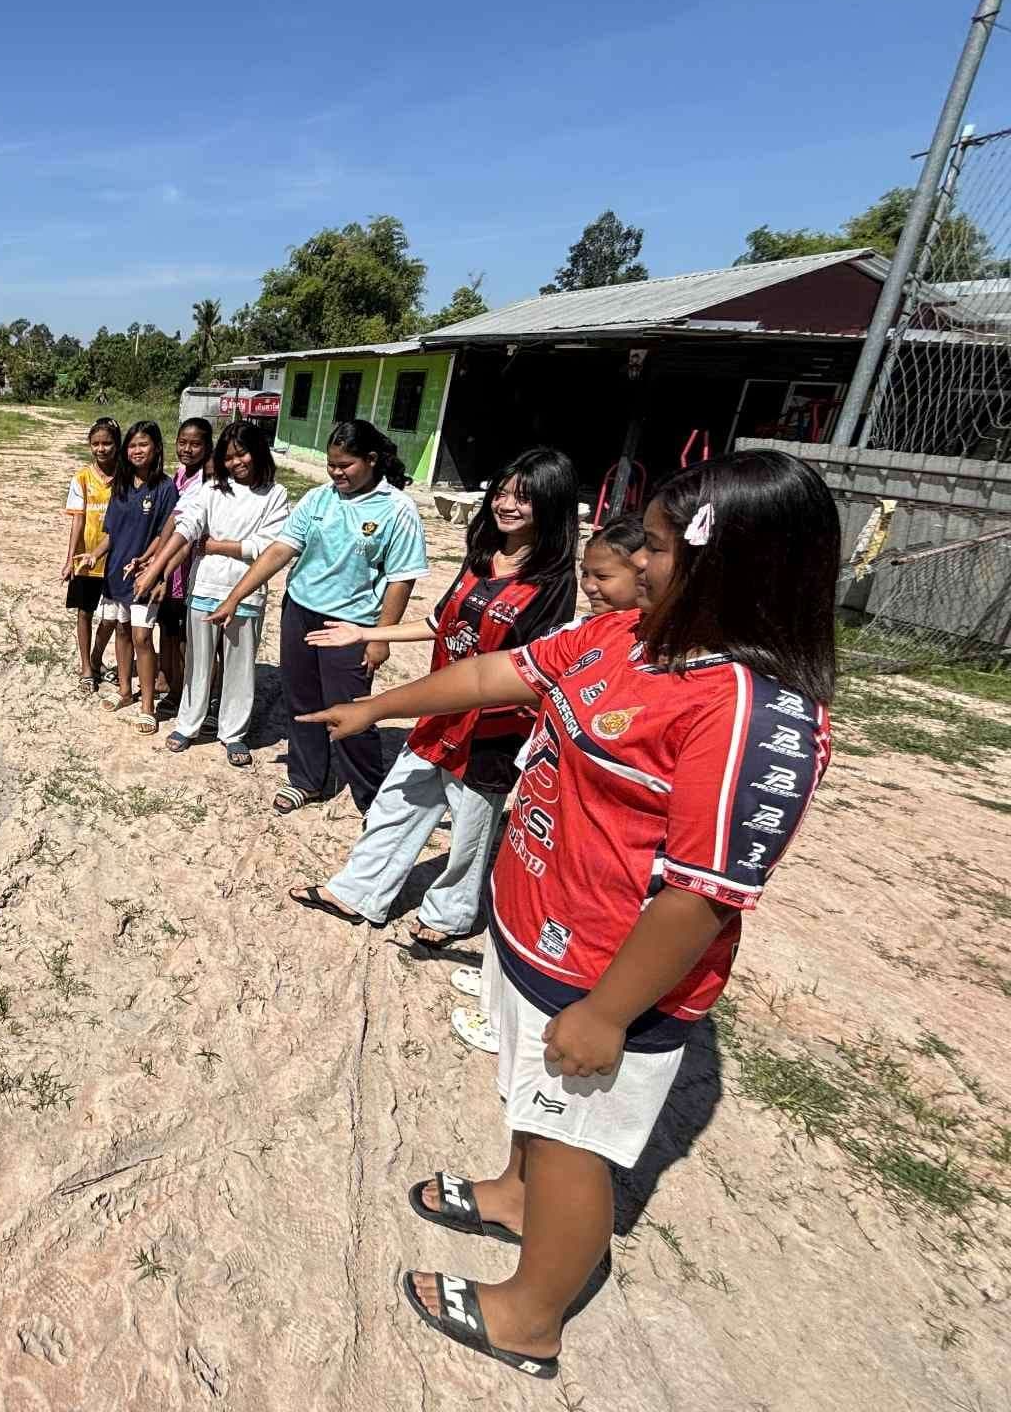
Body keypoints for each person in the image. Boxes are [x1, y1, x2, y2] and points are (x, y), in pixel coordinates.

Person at [310, 450, 837, 1380]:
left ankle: (530, 1315)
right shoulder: (623, 640)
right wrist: (377, 707)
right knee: (536, 1112)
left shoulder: (750, 713)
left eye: (662, 548)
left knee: (574, 1142)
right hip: (536, 927)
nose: (639, 564)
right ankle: (516, 1195)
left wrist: (604, 1013)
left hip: (607, 975)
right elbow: (492, 678)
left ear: (730, 564)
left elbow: (700, 894)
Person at [287, 447, 580, 949]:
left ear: (551, 506)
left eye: (524, 499)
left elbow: (540, 668)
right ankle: (358, 893)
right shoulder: (483, 558)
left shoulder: (552, 584)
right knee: (397, 802)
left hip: (492, 730)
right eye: (503, 493)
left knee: (470, 827)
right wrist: (365, 634)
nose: (506, 505)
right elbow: (437, 622)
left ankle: (450, 915)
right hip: (438, 711)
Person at [449, 510, 649, 1055]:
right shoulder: (583, 632)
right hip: (542, 787)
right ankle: (494, 988)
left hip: (578, 810)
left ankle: (509, 1022)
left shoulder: (637, 651)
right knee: (513, 884)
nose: (589, 587)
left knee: (552, 914)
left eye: (604, 578)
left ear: (645, 574)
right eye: (587, 573)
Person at [209, 419, 427, 818]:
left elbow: (401, 580)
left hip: (351, 625)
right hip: (301, 611)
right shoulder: (318, 499)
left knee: (353, 709)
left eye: (345, 465)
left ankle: (369, 798)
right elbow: (279, 551)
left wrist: (380, 638)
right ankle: (306, 779)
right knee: (301, 699)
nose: (336, 472)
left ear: (371, 460)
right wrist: (234, 596)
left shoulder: (397, 509)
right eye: (331, 464)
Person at [138, 420, 289, 766]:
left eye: (243, 454)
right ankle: (189, 724)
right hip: (204, 587)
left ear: (259, 452)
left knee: (239, 666)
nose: (238, 463)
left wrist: (218, 546)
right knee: (198, 663)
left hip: (247, 593)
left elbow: (266, 547)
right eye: (230, 457)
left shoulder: (274, 494)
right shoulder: (212, 490)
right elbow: (186, 528)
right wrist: (157, 567)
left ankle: (233, 732)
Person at [95, 420, 179, 733]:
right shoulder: (121, 484)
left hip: (145, 573)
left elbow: (166, 533)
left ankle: (147, 706)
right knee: (121, 630)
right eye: (132, 445)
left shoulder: (166, 488)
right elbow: (110, 533)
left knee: (143, 636)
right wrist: (94, 554)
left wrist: (150, 562)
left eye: (143, 444)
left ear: (156, 447)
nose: (136, 451)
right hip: (116, 571)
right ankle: (124, 692)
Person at [151, 417, 213, 709]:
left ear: (207, 447)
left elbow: (181, 526)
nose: (187, 449)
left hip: (185, 566)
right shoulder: (179, 475)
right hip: (170, 564)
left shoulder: (205, 480)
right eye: (182, 442)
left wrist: (159, 566)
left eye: (195, 444)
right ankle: (167, 678)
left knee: (185, 632)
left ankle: (185, 689)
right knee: (168, 625)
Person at [61, 417, 122, 692]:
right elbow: (78, 520)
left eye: (107, 443)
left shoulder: (127, 477)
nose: (101, 449)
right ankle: (87, 667)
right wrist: (69, 559)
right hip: (86, 560)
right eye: (95, 443)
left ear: (117, 444)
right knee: (84, 613)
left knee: (112, 617)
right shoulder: (82, 478)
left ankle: (97, 657)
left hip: (117, 559)